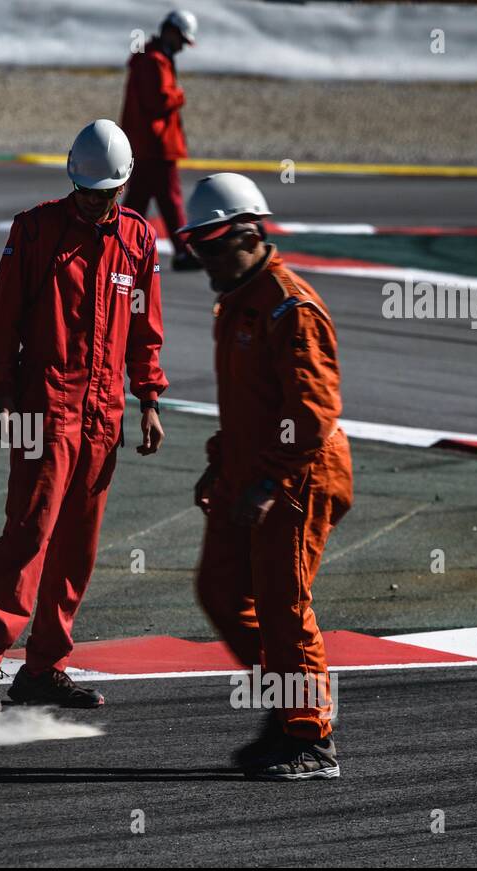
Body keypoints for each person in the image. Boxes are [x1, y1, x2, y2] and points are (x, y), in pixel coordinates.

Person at [0, 119, 169, 709]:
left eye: (108, 193)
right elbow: (3, 318)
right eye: (88, 192)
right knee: (28, 535)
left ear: (123, 188)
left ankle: (44, 667)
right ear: (73, 181)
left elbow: (145, 329)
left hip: (104, 415)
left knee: (78, 547)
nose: (97, 203)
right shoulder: (34, 231)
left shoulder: (139, 240)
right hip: (45, 409)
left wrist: (148, 397)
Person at [178, 173, 353, 780]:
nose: (201, 258)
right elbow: (249, 402)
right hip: (249, 470)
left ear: (250, 233)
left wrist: (267, 482)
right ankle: (287, 708)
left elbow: (310, 414)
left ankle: (310, 740)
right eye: (195, 246)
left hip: (298, 475)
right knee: (223, 592)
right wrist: (222, 460)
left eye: (212, 245)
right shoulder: (237, 300)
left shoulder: (290, 307)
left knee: (282, 604)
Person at [120, 9, 199, 272]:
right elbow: (159, 101)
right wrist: (179, 95)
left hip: (148, 144)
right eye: (181, 40)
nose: (182, 47)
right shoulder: (154, 60)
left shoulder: (151, 57)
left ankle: (117, 245)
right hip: (155, 145)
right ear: (170, 32)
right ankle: (182, 252)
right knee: (169, 199)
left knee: (138, 202)